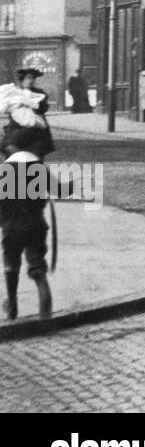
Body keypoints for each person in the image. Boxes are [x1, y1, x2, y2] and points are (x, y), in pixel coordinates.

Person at [0, 127, 56, 319]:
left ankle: (12, 305)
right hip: (36, 224)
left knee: (11, 263)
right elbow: (48, 196)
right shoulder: (39, 168)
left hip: (12, 226)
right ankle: (45, 302)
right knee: (37, 264)